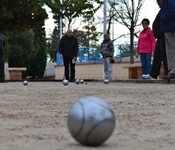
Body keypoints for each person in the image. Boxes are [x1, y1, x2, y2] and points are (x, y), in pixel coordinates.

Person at [145, 0, 168, 80]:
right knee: (157, 56)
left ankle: (167, 72)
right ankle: (153, 74)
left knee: (165, 55)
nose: (158, 3)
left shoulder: (167, 9)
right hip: (159, 36)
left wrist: (163, 31)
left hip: (164, 35)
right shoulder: (162, 10)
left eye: (159, 1)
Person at [161, 0, 175, 80]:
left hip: (170, 28)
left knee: (171, 51)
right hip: (169, 28)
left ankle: (173, 71)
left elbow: (172, 9)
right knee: (170, 51)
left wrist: (163, 17)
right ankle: (172, 71)